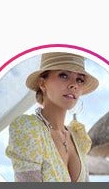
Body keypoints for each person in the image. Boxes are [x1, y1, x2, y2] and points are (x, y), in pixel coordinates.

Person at [5, 51, 96, 182]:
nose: (74, 85)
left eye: (79, 80)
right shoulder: (29, 129)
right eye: (64, 75)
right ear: (43, 84)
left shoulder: (78, 137)